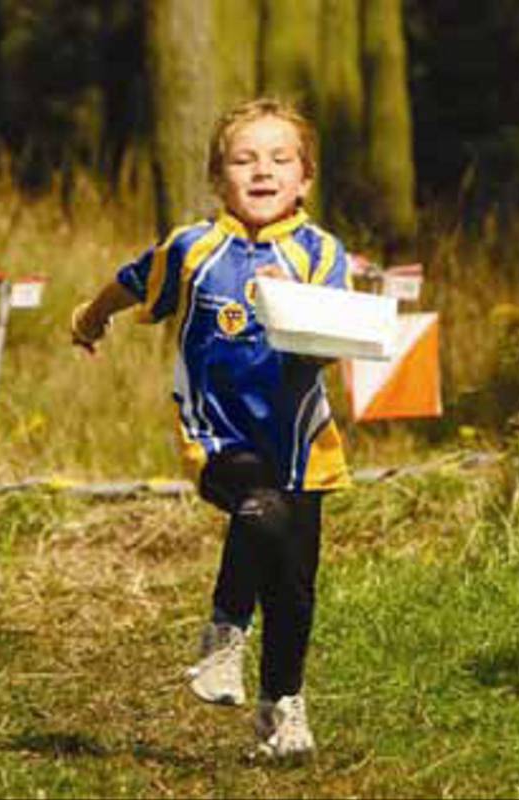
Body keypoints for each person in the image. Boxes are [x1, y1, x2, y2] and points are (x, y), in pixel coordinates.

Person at [70, 98, 351, 760]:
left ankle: (281, 709)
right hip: (217, 435)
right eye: (243, 159)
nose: (262, 171)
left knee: (293, 586)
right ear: (217, 177)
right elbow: (130, 282)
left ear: (304, 178)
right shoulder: (194, 248)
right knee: (256, 509)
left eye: (280, 160)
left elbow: (328, 349)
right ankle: (223, 635)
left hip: (302, 445)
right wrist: (90, 315)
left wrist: (295, 306)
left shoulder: (319, 254)